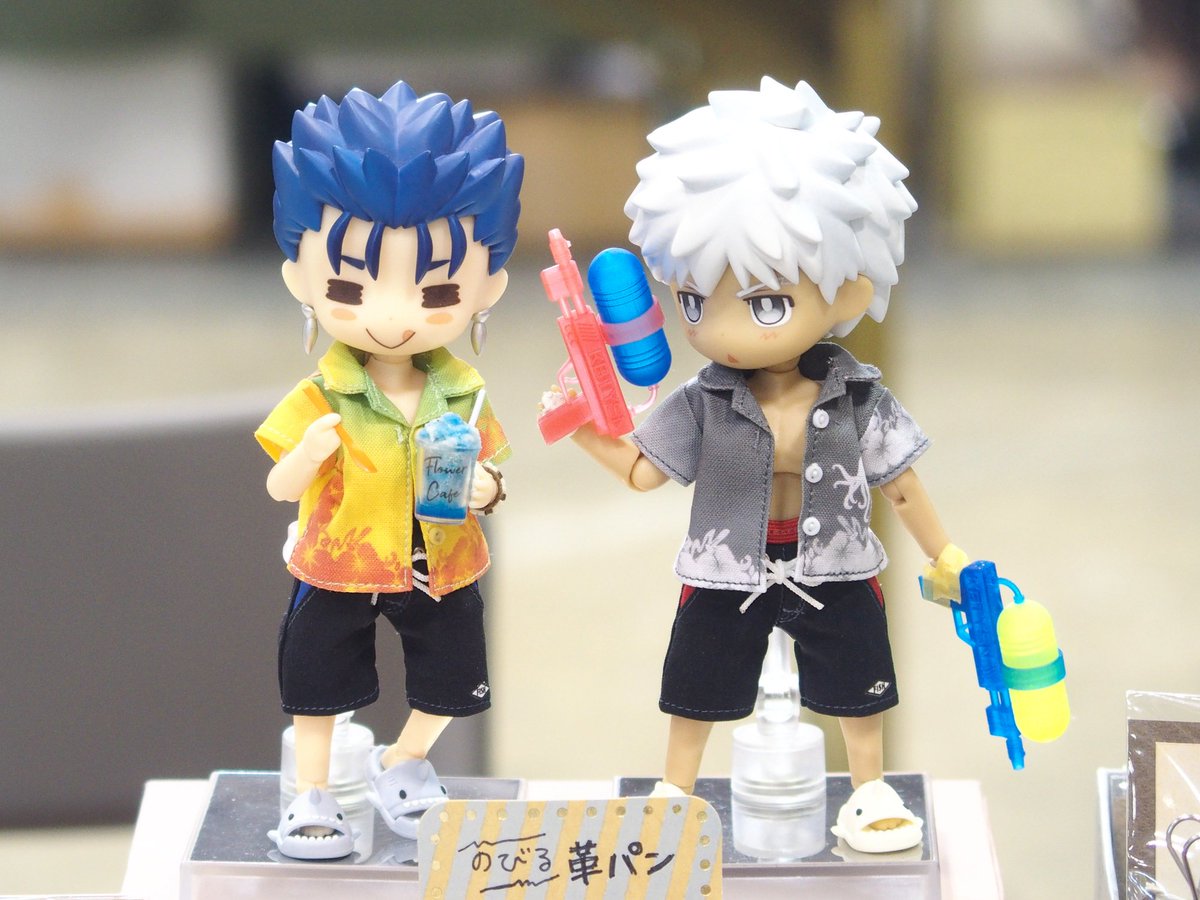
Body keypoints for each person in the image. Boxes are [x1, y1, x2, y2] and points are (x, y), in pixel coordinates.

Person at [559, 77, 965, 854]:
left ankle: (868, 787)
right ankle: (676, 789)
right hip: (727, 567)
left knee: (858, 680)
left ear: (848, 288)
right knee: (696, 682)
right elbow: (643, 472)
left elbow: (902, 485)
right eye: (692, 301)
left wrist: (946, 554)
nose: (719, 331)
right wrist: (582, 425)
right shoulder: (705, 400)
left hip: (836, 562)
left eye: (765, 304)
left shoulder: (857, 397)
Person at [257, 81, 522, 858]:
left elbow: (493, 471)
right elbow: (278, 485)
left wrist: (486, 488)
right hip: (339, 561)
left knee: (455, 677)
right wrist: (307, 457)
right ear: (300, 280)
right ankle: (312, 794)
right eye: (349, 287)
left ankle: (404, 760)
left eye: (437, 290)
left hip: (439, 559)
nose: (395, 314)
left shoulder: (466, 393)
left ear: (488, 289)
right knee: (315, 681)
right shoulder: (321, 392)